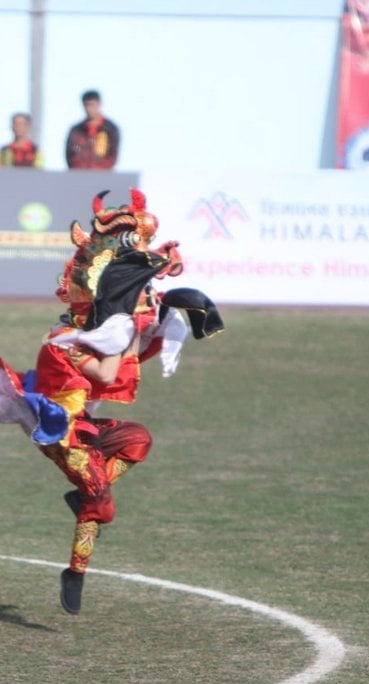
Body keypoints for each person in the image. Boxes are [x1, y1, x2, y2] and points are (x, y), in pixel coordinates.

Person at [38, 189, 223, 613]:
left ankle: (87, 493)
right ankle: (76, 570)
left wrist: (156, 319)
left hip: (84, 424)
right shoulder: (65, 344)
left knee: (138, 439)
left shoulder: (90, 335)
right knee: (100, 502)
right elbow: (106, 373)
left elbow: (120, 352)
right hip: (63, 436)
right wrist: (131, 335)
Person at [65, 90, 120, 170]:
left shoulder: (110, 129)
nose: (89, 109)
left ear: (99, 104)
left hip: (103, 177)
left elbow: (112, 156)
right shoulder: (76, 131)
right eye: (87, 105)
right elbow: (71, 156)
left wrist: (96, 169)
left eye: (92, 105)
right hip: (80, 177)